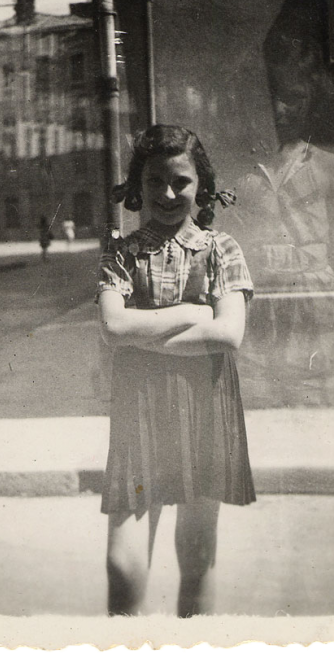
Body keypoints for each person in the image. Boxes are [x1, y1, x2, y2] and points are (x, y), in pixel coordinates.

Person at [96, 124, 255, 618]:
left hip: (205, 402)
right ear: (137, 188)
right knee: (122, 563)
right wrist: (193, 314)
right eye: (155, 182)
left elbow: (229, 335)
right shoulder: (121, 252)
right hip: (139, 407)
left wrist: (142, 337)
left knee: (196, 552)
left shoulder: (221, 250)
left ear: (200, 187)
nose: (167, 193)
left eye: (181, 182)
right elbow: (111, 327)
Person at [237, 39, 334, 406]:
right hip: (257, 307)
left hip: (313, 307)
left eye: (292, 98)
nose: (279, 109)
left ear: (311, 101)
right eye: (270, 98)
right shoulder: (241, 172)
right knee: (257, 399)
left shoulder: (329, 168)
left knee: (313, 398)